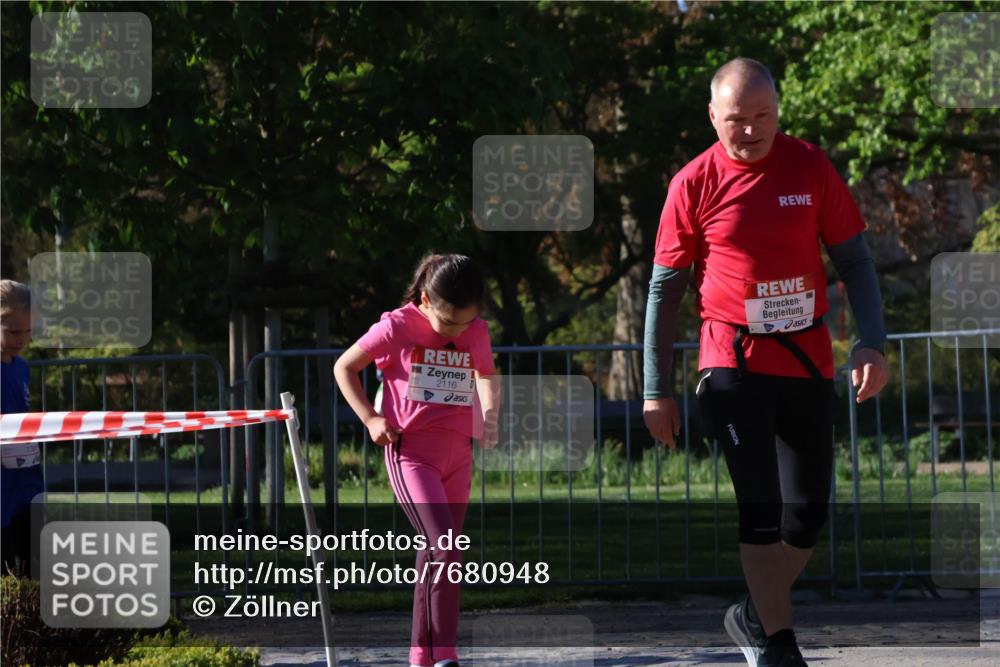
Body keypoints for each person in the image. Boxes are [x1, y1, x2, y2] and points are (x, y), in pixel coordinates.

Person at [642, 58, 888, 667]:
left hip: (805, 360)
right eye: (735, 120)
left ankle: (752, 611)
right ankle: (778, 644)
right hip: (732, 362)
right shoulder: (692, 183)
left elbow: (855, 262)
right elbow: (664, 291)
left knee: (805, 517)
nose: (750, 130)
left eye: (762, 117)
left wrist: (871, 342)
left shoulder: (809, 165)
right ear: (712, 117)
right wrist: (656, 388)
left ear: (779, 111)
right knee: (760, 506)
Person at [334, 253, 499, 667]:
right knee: (445, 548)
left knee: (440, 554)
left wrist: (492, 414)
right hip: (411, 454)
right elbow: (345, 367)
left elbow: (485, 374)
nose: (456, 332)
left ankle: (422, 657)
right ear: (425, 300)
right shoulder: (395, 326)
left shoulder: (475, 330)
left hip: (458, 455)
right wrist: (370, 418)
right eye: (448, 324)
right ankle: (445, 656)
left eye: (465, 322)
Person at [1, 279, 44, 577]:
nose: (22, 339)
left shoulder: (22, 367)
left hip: (26, 483)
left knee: (35, 564)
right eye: (14, 331)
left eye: (28, 332)